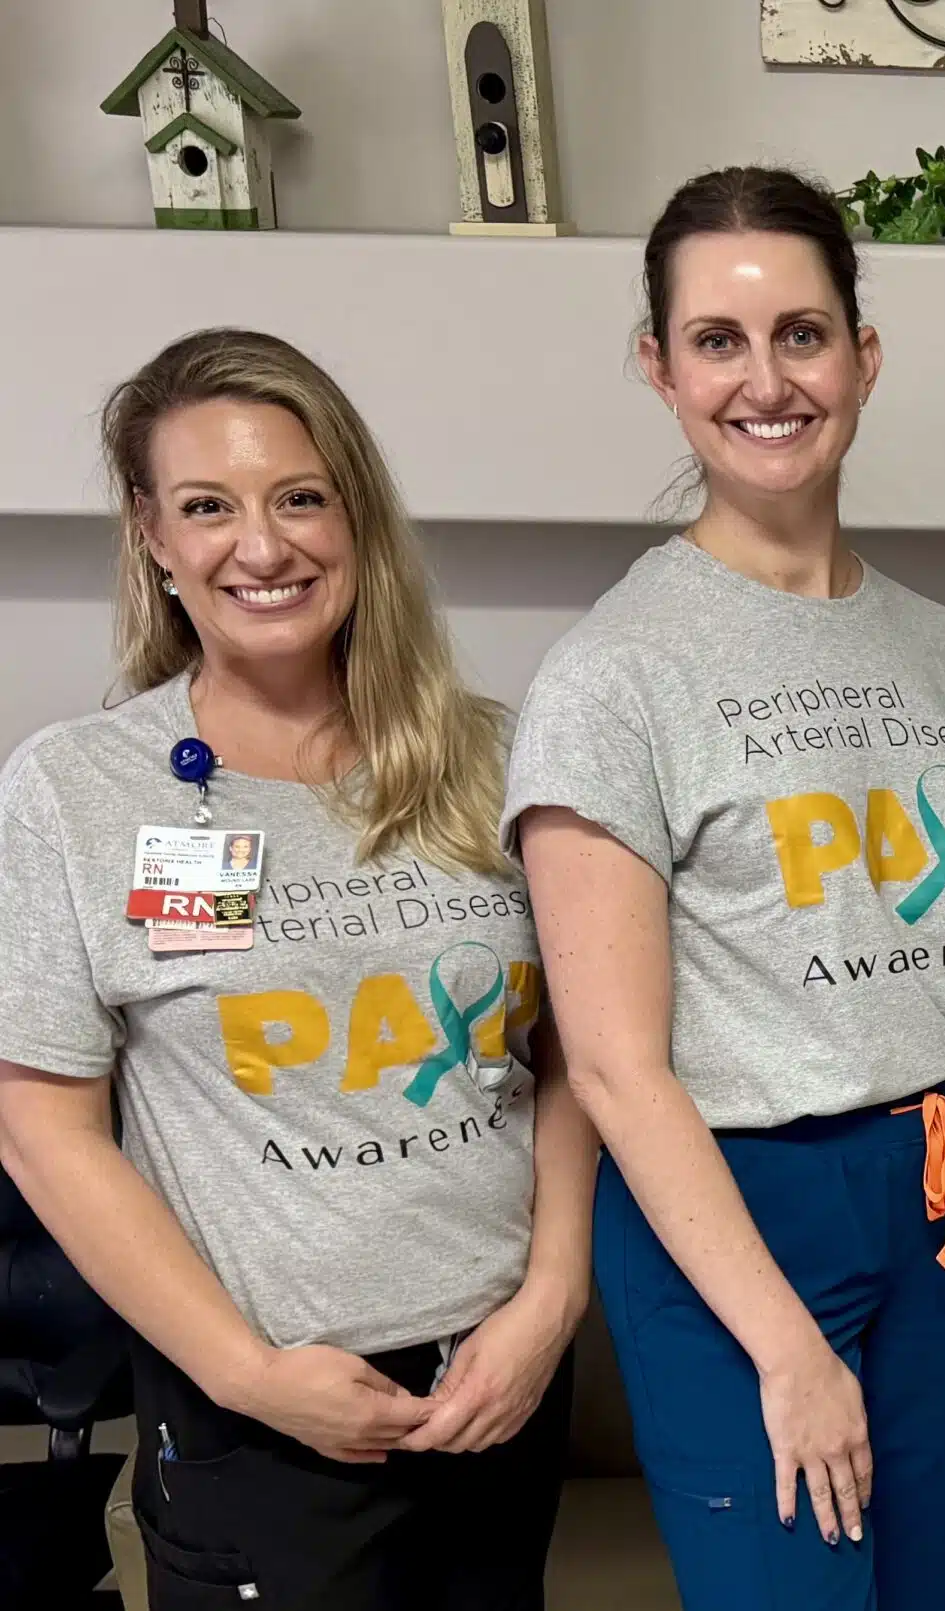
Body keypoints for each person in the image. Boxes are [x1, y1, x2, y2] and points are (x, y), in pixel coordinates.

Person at [0, 329, 593, 1609]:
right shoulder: (75, 791)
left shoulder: (495, 760)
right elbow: (44, 1132)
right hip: (257, 1414)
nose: (262, 548)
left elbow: (572, 1061)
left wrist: (550, 1301)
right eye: (208, 507)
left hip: (499, 1387)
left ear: (357, 518)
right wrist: (246, 1374)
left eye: (300, 498)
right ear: (153, 536)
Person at [508, 167, 945, 1611]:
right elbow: (614, 1067)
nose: (766, 380)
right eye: (717, 341)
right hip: (735, 1208)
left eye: (802, 334)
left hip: (930, 1193)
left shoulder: (944, 650)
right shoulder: (613, 675)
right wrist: (786, 1349)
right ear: (659, 368)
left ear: (864, 354)